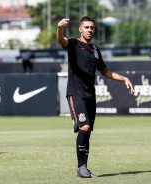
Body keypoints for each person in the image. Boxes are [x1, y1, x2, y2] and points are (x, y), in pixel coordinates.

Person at [56, 16, 134, 178]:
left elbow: (105, 71)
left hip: (90, 95)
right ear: (80, 29)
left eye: (92, 27)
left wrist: (124, 78)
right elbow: (61, 41)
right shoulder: (73, 44)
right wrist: (59, 28)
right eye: (86, 27)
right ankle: (81, 167)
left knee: (88, 131)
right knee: (84, 127)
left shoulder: (95, 51)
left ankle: (84, 168)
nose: (89, 30)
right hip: (76, 93)